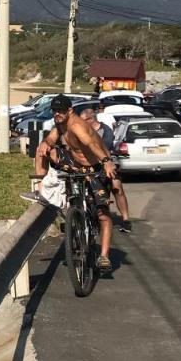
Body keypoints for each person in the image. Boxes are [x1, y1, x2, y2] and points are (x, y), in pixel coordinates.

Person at [22, 95, 118, 272]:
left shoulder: (77, 125)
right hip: (75, 164)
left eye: (61, 111)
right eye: (54, 110)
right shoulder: (60, 122)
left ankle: (104, 256)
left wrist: (106, 161)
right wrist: (44, 143)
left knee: (102, 214)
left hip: (95, 167)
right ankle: (40, 188)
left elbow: (91, 143)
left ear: (70, 110)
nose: (57, 114)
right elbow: (51, 138)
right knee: (41, 150)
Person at [80, 106, 132, 233]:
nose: (80, 124)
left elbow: (105, 147)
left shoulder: (105, 130)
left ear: (91, 119)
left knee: (117, 187)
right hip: (89, 163)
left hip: (107, 162)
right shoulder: (82, 132)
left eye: (83, 121)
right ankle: (91, 218)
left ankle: (125, 220)